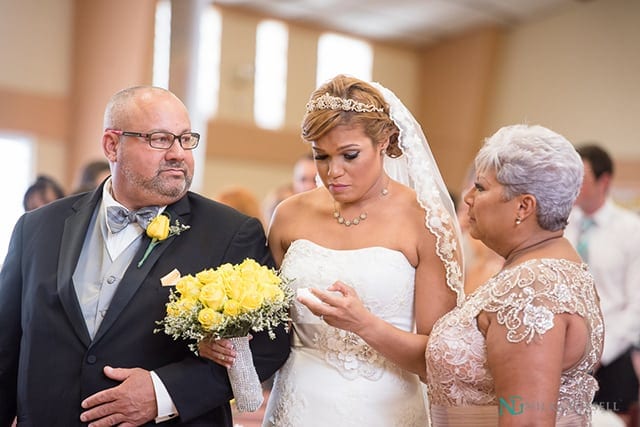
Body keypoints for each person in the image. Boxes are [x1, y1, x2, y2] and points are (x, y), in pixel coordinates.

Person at [0, 85, 290, 426]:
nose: (178, 153)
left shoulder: (230, 232)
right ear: (112, 144)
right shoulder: (37, 228)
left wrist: (164, 393)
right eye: (160, 139)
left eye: (185, 139)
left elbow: (270, 345)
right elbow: (6, 349)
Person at [199, 74, 465, 426]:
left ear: (384, 141)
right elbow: (269, 327)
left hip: (383, 411)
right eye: (320, 156)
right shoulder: (290, 215)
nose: (332, 172)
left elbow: (438, 361)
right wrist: (221, 332)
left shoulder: (426, 223)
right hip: (295, 405)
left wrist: (364, 325)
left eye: (349, 155)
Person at [424, 124, 604, 426]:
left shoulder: (530, 289)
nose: (467, 197)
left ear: (523, 206)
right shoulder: (558, 263)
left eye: (480, 187)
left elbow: (528, 421)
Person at [564, 143, 640, 425]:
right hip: (563, 351)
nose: (573, 185)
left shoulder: (631, 230)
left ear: (604, 180)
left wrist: (599, 352)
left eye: (581, 177)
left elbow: (636, 305)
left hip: (610, 357)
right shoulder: (563, 223)